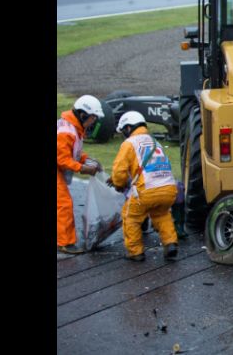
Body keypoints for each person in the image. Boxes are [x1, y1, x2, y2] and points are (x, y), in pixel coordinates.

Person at [108, 111, 179, 262]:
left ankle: (135, 252)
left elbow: (119, 170)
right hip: (169, 188)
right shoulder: (155, 142)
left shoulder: (129, 143)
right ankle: (170, 243)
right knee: (162, 214)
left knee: (130, 217)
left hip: (147, 191)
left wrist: (119, 184)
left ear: (128, 128)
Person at [57, 95, 106, 254]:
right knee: (64, 204)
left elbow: (73, 152)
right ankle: (65, 243)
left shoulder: (74, 128)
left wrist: (88, 160)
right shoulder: (67, 131)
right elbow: (63, 158)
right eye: (93, 118)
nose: (94, 122)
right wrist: (83, 168)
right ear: (83, 114)